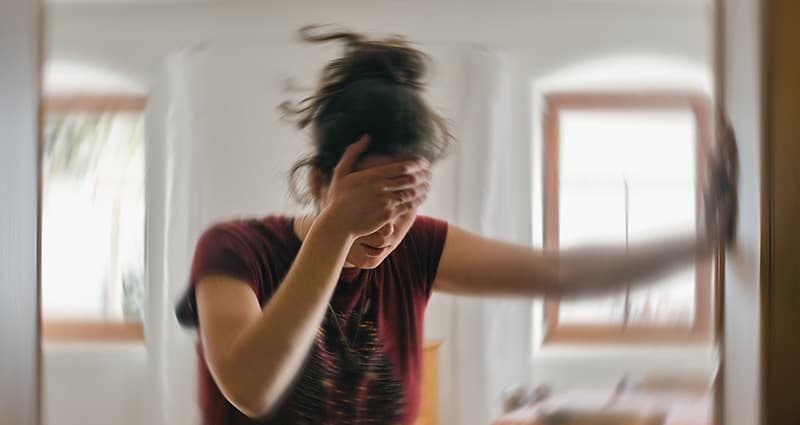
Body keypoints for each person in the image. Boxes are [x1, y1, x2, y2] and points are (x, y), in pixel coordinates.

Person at [175, 26, 737, 425]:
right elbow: (251, 389)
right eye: (369, 198)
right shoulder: (235, 250)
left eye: (405, 200)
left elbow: (562, 273)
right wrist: (336, 230)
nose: (387, 226)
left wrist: (706, 239)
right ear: (321, 183)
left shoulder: (418, 250)